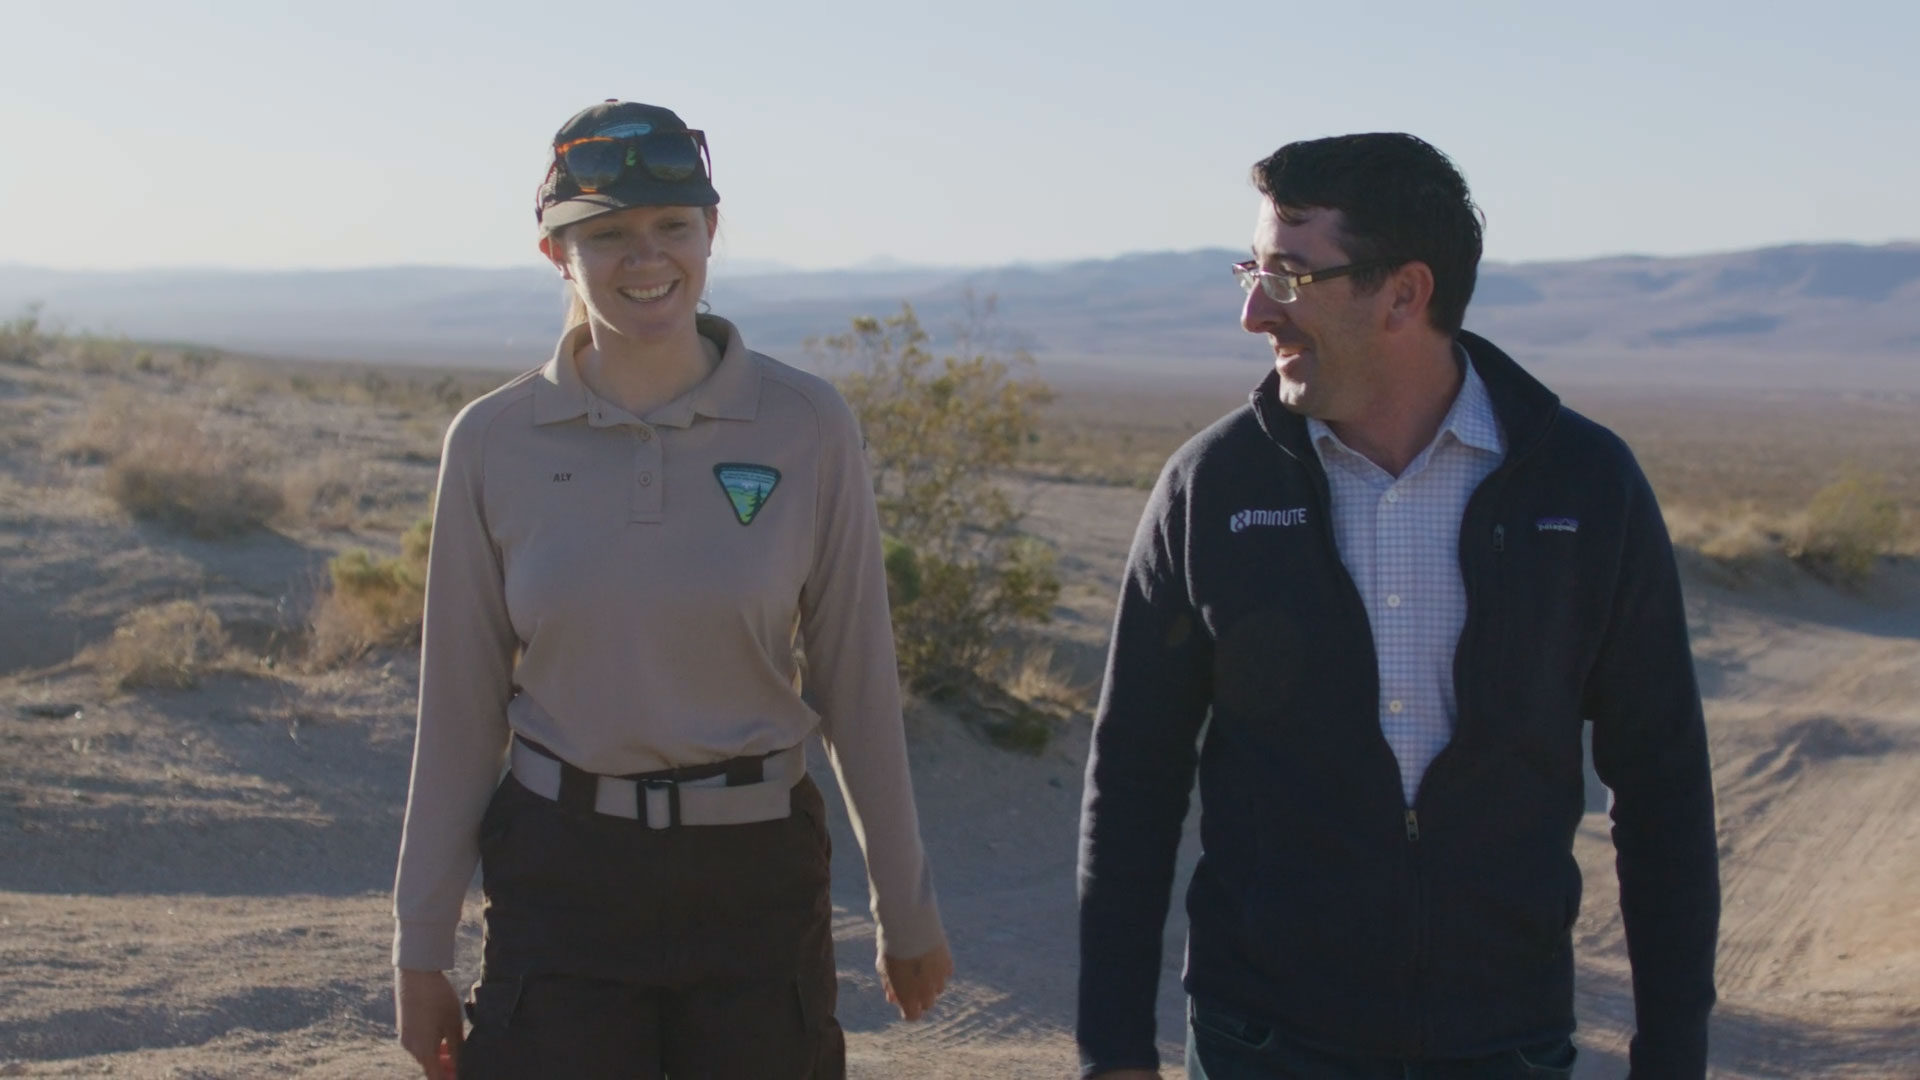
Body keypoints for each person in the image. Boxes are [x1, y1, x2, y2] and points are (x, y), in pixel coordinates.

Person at [1076, 133, 1719, 1079]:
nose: (1255, 311)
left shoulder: (1584, 487)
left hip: (1506, 1044)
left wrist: (1675, 1057)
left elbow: (1663, 792)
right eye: (1252, 270)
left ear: (1404, 294)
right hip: (1265, 1044)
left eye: (1289, 277)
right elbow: (1132, 784)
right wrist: (1114, 1053)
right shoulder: (1210, 487)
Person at [389, 99, 952, 1080]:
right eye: (606, 235)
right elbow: (459, 713)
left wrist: (906, 908)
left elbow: (858, 683)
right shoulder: (492, 442)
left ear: (712, 233)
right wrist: (420, 943)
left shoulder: (806, 426)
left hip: (755, 882)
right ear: (555, 252)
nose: (645, 259)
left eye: (671, 228)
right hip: (564, 878)